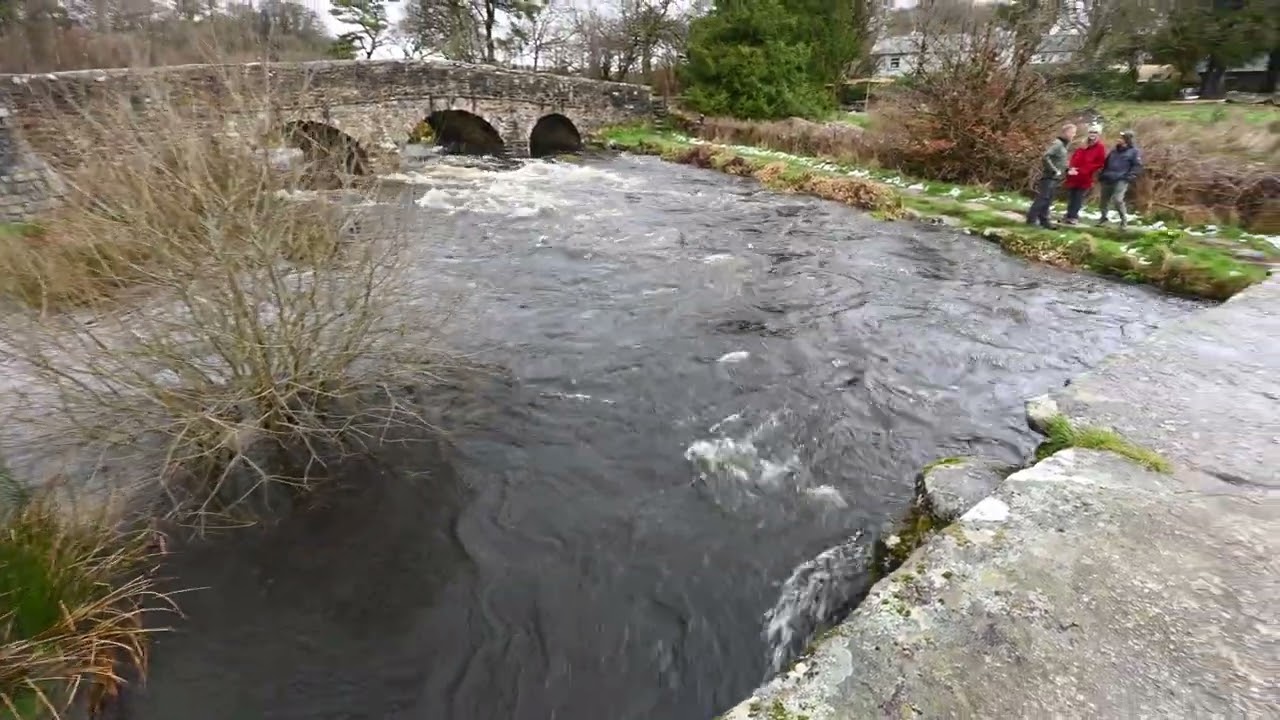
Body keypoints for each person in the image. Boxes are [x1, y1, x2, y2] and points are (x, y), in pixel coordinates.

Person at [1026, 123, 1077, 229]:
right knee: (1042, 198)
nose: (1074, 135)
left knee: (1048, 199)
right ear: (1066, 132)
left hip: (1055, 178)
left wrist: (1068, 169)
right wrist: (1054, 170)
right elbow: (1046, 157)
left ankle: (1044, 221)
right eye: (1072, 133)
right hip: (1049, 177)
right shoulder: (1057, 144)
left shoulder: (1064, 146)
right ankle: (1031, 220)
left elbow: (1060, 161)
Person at [1061, 123, 1106, 225]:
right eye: (1091, 132)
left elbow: (1100, 162)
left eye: (1095, 132)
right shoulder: (1083, 144)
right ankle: (1069, 215)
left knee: (1078, 197)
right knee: (1072, 196)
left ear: (1098, 134)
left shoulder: (1100, 147)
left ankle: (1073, 216)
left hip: (1085, 176)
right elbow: (1075, 157)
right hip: (1074, 175)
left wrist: (1086, 169)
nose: (1092, 134)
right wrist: (1071, 168)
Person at [1097, 130, 1142, 228]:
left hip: (1122, 178)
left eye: (1121, 138)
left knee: (1117, 199)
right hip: (1108, 177)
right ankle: (1103, 219)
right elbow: (1106, 163)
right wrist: (1102, 174)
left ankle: (1123, 220)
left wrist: (1130, 176)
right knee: (1104, 200)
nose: (1118, 139)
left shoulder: (1134, 152)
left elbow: (1137, 166)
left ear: (1127, 140)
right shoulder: (1114, 151)